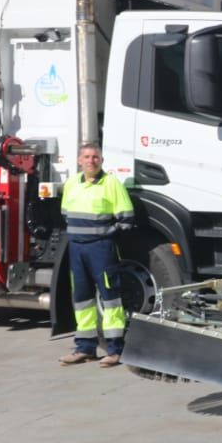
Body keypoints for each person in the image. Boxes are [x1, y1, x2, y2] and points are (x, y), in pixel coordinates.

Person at [57, 142, 135, 367]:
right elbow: (66, 213)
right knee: (82, 299)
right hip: (77, 249)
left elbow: (127, 218)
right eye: (87, 157)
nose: (91, 161)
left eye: (95, 157)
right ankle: (85, 348)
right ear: (79, 160)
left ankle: (115, 350)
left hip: (101, 248)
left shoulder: (111, 183)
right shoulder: (72, 183)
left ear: (101, 160)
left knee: (110, 299)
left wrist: (106, 235)